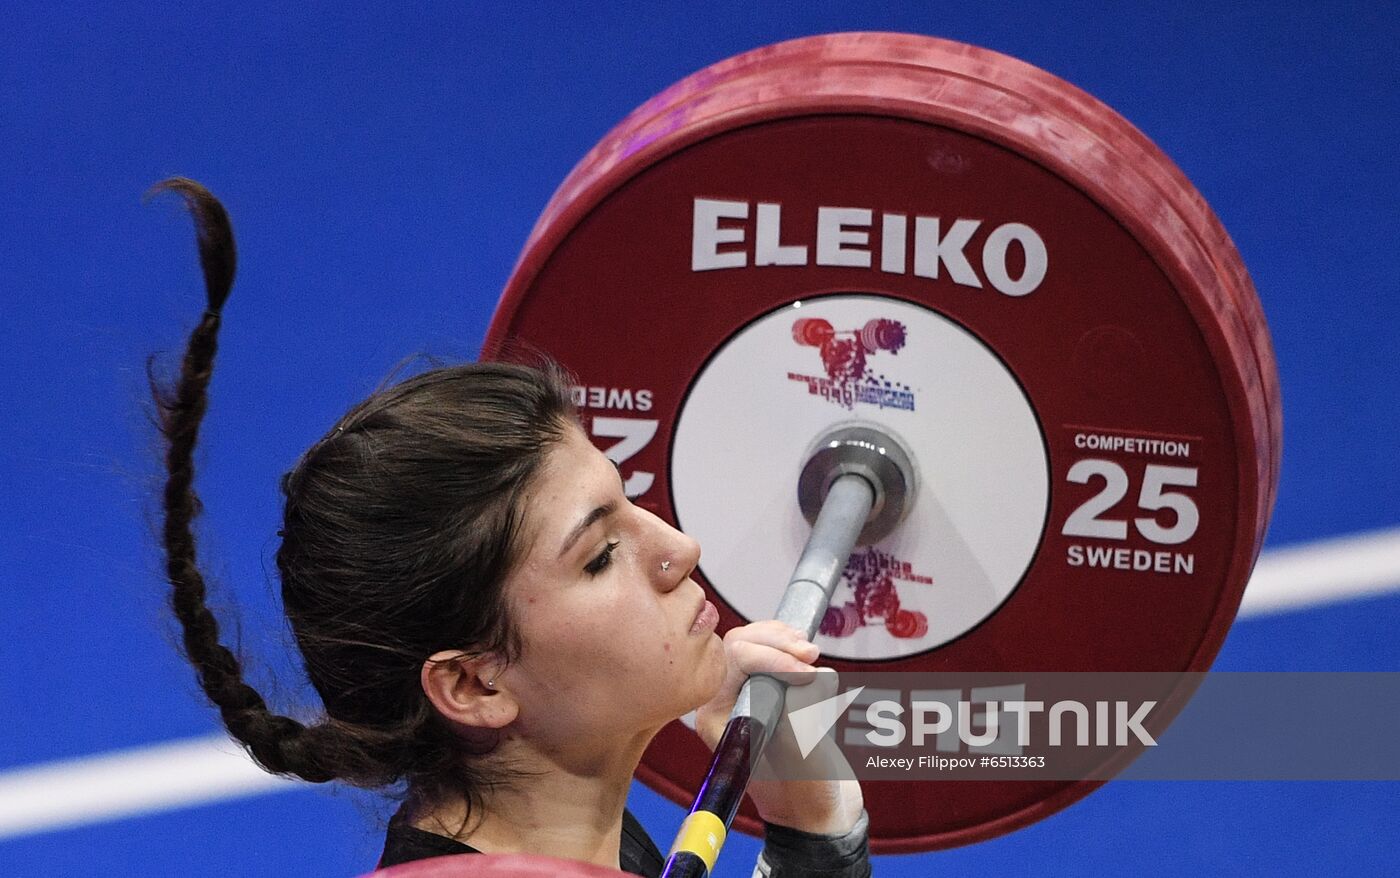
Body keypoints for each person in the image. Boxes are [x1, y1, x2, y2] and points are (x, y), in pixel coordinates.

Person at [149, 178, 872, 877]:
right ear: (472, 683)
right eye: (599, 557)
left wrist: (810, 823)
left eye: (629, 502)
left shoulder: (583, 844)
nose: (680, 550)